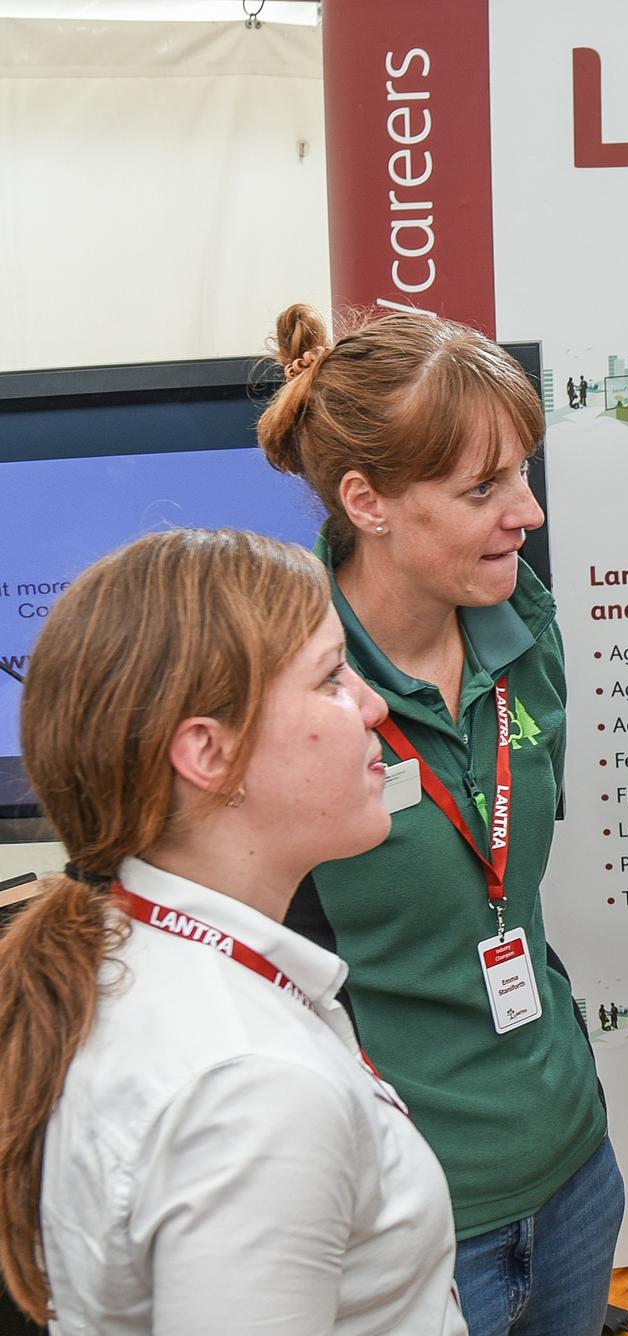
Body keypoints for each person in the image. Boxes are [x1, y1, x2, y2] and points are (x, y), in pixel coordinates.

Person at [258, 306, 621, 1336]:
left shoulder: (524, 626)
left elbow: (503, 878)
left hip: (573, 1172)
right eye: (482, 489)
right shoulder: (287, 689)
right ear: (365, 501)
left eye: (523, 473)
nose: (528, 514)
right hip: (406, 1213)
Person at [0, 529, 464, 1334]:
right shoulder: (252, 1090)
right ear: (208, 753)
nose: (374, 706)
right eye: (329, 678)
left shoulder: (128, 953)